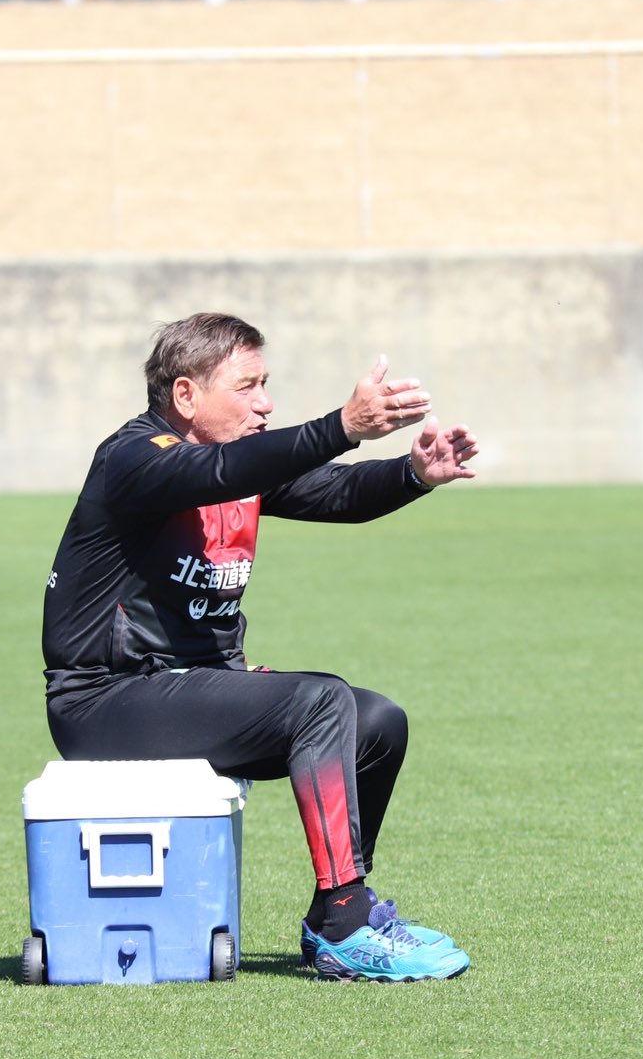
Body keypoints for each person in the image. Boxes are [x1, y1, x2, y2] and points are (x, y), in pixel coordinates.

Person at [41, 313, 481, 982]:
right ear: (186, 395)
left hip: (192, 685)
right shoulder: (133, 460)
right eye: (247, 387)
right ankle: (348, 924)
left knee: (377, 721)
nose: (266, 403)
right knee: (320, 700)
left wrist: (415, 474)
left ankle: (334, 915)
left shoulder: (233, 462)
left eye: (266, 384)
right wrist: (341, 426)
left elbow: (334, 492)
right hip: (106, 700)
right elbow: (222, 468)